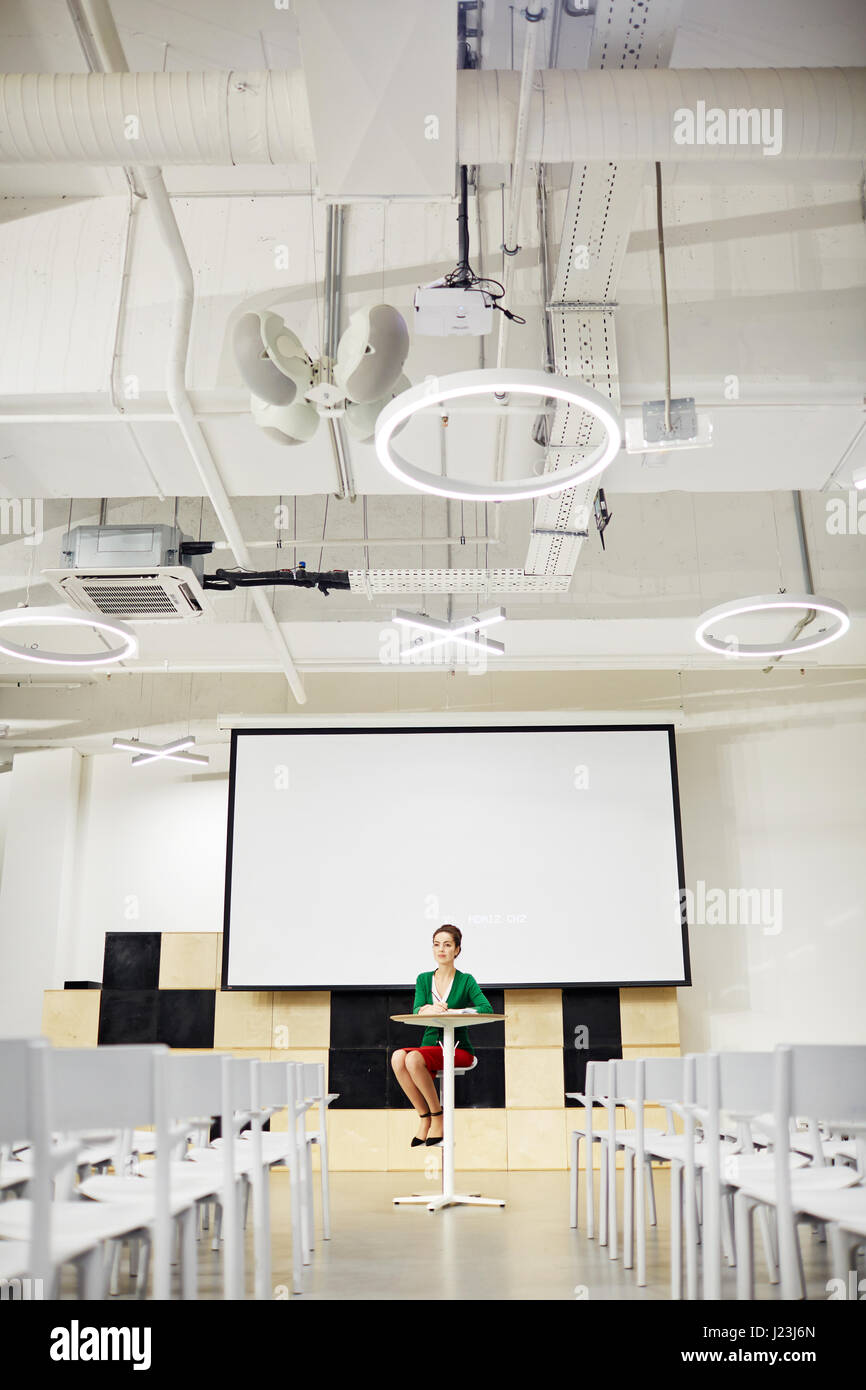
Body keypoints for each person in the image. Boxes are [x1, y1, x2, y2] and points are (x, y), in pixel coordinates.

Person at [391, 924, 493, 1147]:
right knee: (398, 1057)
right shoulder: (423, 979)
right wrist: (427, 1008)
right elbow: (417, 1009)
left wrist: (453, 1011)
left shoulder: (466, 980)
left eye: (447, 945)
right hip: (430, 1047)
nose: (441, 949)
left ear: (457, 950)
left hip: (458, 1049)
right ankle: (425, 1117)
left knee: (412, 1058)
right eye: (437, 945)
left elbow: (486, 1009)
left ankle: (438, 1117)